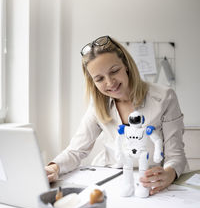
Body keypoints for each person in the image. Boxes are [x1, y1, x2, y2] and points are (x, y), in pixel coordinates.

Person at [45, 35, 188, 196]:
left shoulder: (164, 97)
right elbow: (76, 151)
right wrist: (54, 167)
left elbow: (176, 156)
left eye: (114, 71)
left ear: (126, 65)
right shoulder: (97, 105)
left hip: (150, 181)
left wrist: (169, 173)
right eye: (99, 79)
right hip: (111, 180)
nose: (109, 82)